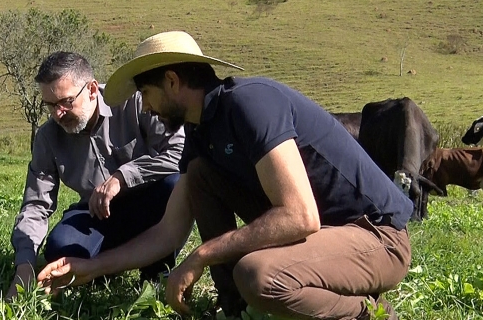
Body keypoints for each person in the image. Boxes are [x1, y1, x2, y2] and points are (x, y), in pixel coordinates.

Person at [37, 31, 412, 320]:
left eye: (146, 93)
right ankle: (232, 304)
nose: (145, 107)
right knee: (199, 175)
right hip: (323, 238)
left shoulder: (250, 103)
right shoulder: (199, 134)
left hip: (376, 236)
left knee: (258, 276)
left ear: (171, 81)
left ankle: (370, 312)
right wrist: (89, 266)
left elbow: (300, 215)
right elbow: (168, 233)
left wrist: (201, 256)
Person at [6, 51, 186, 299]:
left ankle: (156, 270)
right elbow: (36, 203)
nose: (58, 114)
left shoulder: (135, 103)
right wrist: (24, 264)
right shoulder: (48, 137)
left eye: (66, 102)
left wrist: (122, 177)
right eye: (50, 105)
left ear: (91, 90)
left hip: (151, 204)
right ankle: (104, 268)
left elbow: (179, 153)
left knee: (177, 186)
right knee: (60, 251)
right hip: (97, 214)